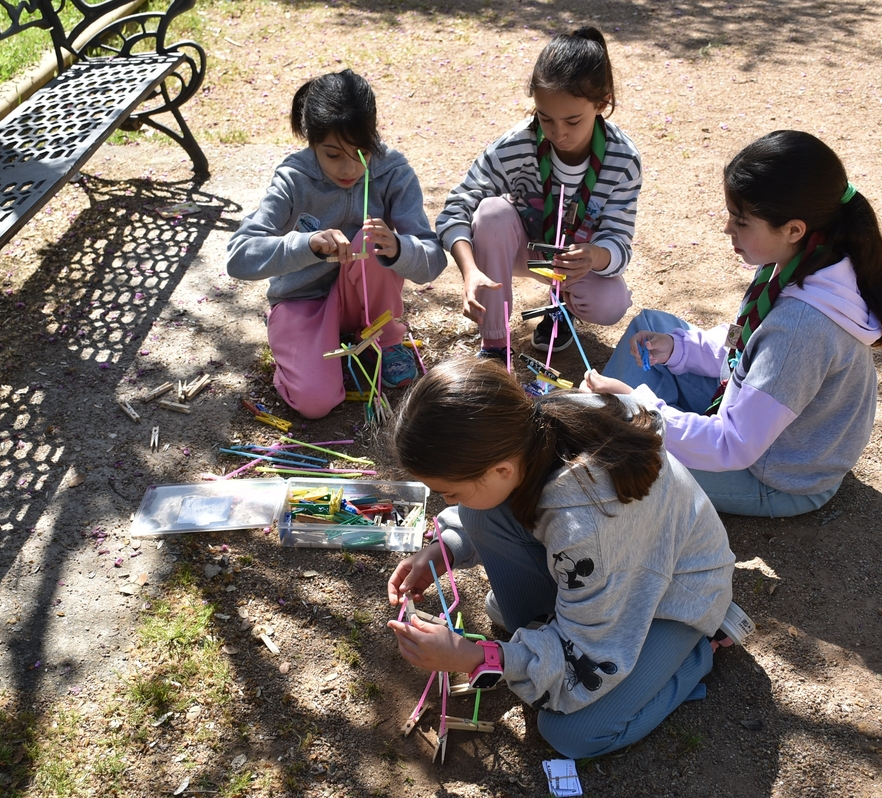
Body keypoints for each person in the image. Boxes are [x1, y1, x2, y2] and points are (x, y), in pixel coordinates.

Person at [384, 357, 735, 759]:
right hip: (616, 571)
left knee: (573, 733)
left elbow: (590, 653)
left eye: (451, 492)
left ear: (501, 470)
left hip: (676, 597)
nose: (448, 500)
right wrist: (445, 546)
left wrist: (477, 657)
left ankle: (698, 652)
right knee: (483, 528)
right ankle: (548, 641)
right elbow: (489, 511)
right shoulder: (529, 427)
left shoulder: (585, 529)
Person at [592, 130, 882, 517]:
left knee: (617, 451)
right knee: (653, 326)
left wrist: (635, 409)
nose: (728, 228)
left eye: (741, 221)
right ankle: (603, 423)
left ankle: (598, 431)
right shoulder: (804, 259)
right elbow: (747, 347)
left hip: (777, 477)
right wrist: (679, 349)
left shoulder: (800, 329)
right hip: (764, 425)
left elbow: (731, 444)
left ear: (793, 229)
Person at [226, 69, 445, 418]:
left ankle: (383, 339)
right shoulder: (294, 177)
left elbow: (432, 260)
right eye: (332, 155)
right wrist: (307, 244)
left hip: (366, 307)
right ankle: (299, 350)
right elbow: (239, 257)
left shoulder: (393, 172)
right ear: (312, 142)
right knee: (315, 403)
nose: (348, 169)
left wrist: (399, 248)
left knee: (371, 239)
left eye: (361, 153)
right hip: (303, 302)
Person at [434, 27, 640, 363]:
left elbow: (619, 239)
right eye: (545, 118)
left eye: (573, 121)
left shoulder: (623, 158)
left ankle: (563, 308)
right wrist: (469, 270)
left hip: (576, 264)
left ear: (602, 103)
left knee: (610, 303)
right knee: (491, 213)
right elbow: (457, 206)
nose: (558, 133)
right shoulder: (516, 145)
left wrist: (594, 256)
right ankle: (495, 343)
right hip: (524, 250)